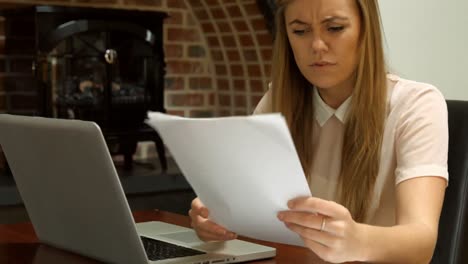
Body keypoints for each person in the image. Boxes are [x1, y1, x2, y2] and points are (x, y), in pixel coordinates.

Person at [189, 0, 448, 263]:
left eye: (334, 28)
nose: (316, 46)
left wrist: (356, 239)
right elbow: (238, 198)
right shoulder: (276, 101)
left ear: (365, 30)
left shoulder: (417, 104)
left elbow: (421, 243)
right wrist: (214, 217)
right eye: (300, 32)